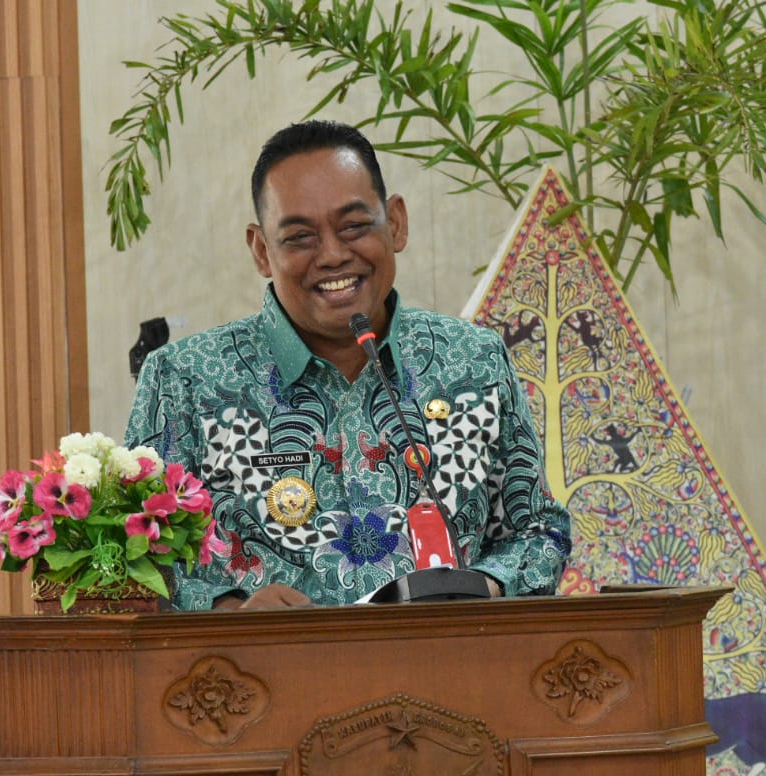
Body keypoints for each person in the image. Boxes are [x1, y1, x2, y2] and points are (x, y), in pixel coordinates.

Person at [124, 120, 570, 610]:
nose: (334, 255)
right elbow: (139, 552)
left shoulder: (475, 360)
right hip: (261, 677)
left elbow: (539, 531)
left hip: (450, 671)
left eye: (354, 227)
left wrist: (480, 587)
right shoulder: (184, 379)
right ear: (260, 250)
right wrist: (232, 612)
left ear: (395, 223)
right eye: (299, 237)